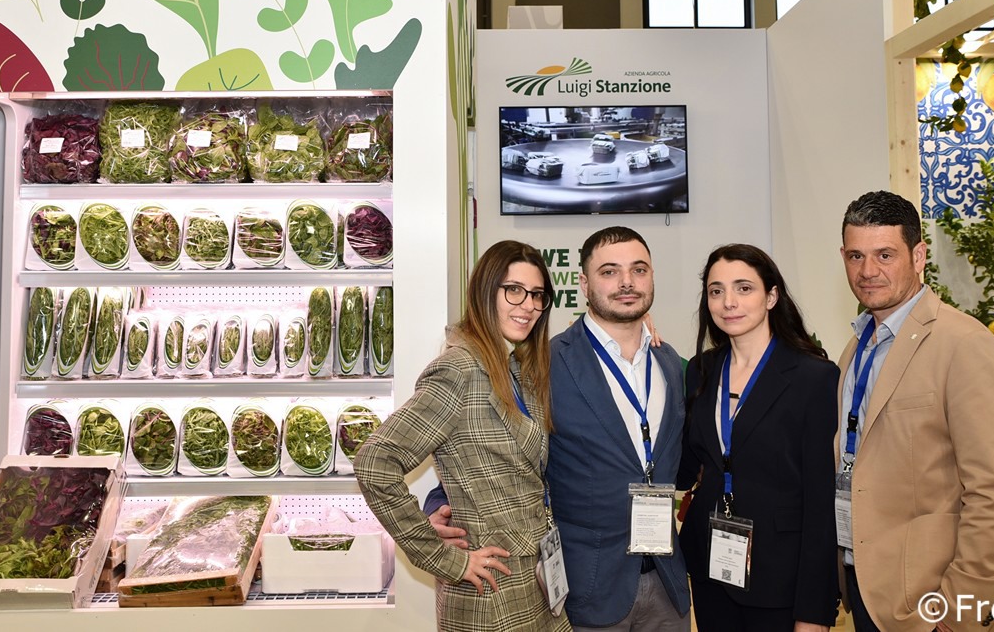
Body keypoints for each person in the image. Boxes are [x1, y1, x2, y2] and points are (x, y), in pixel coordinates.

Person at [428, 227, 691, 632]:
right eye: (609, 271)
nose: (626, 282)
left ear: (652, 277)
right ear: (584, 284)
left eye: (638, 270)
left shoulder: (670, 362)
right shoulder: (543, 364)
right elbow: (491, 449)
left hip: (667, 584)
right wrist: (439, 506)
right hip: (587, 587)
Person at [354, 239, 572, 632]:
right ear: (485, 292)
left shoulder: (515, 367)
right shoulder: (460, 369)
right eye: (514, 290)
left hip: (533, 579)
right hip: (489, 591)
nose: (528, 305)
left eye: (537, 295)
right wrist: (444, 558)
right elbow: (375, 462)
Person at [836, 191, 994, 632]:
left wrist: (957, 613)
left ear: (918, 256)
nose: (868, 271)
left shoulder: (965, 345)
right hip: (870, 590)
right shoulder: (856, 347)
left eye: (885, 255)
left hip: (931, 604)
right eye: (856, 256)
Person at [678, 244, 839, 632]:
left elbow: (821, 504)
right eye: (716, 291)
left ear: (771, 296)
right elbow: (684, 467)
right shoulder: (701, 370)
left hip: (780, 575)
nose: (728, 302)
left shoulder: (813, 377)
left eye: (744, 288)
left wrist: (813, 612)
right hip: (710, 567)